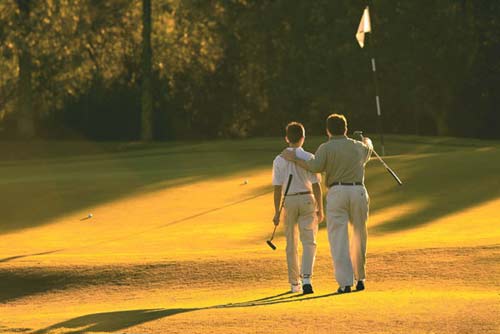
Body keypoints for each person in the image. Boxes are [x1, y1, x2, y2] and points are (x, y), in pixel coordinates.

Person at [281, 114, 373, 294]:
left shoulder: (325, 148)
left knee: (338, 238)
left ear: (328, 130)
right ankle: (360, 278)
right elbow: (369, 148)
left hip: (337, 193)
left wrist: (294, 159)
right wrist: (366, 139)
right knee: (359, 234)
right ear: (346, 129)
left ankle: (345, 283)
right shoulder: (359, 146)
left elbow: (314, 167)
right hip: (358, 191)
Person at [272, 122, 324, 294]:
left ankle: (295, 284)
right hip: (308, 200)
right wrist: (321, 209)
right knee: (309, 241)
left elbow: (277, 188)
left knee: (291, 244)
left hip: (290, 201)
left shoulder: (279, 159)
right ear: (303, 138)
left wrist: (277, 212)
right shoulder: (309, 157)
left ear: (287, 138)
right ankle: (307, 279)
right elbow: (316, 185)